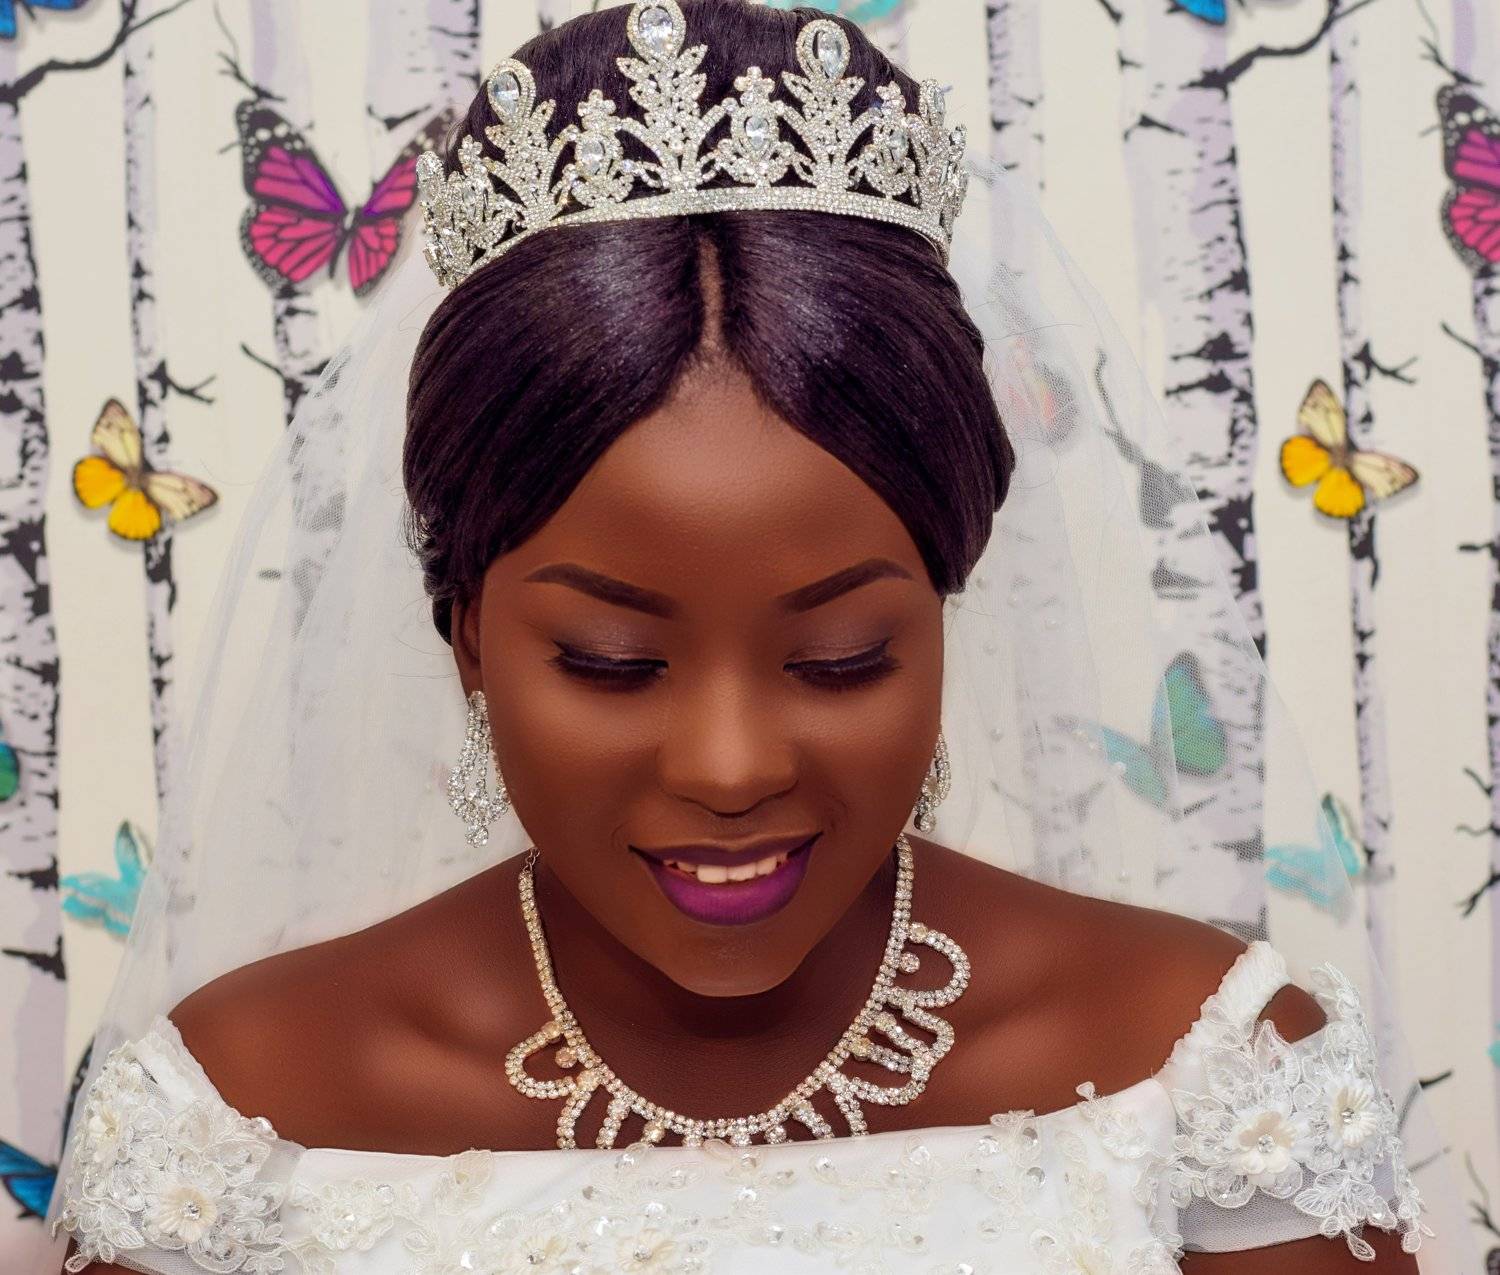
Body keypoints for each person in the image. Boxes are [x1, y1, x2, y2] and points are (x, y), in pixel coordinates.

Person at [47, 1, 1474, 1270]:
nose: (729, 767)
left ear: (945, 604)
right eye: (612, 663)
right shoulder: (233, 1115)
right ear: (468, 638)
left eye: (841, 656)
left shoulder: (1212, 1071)